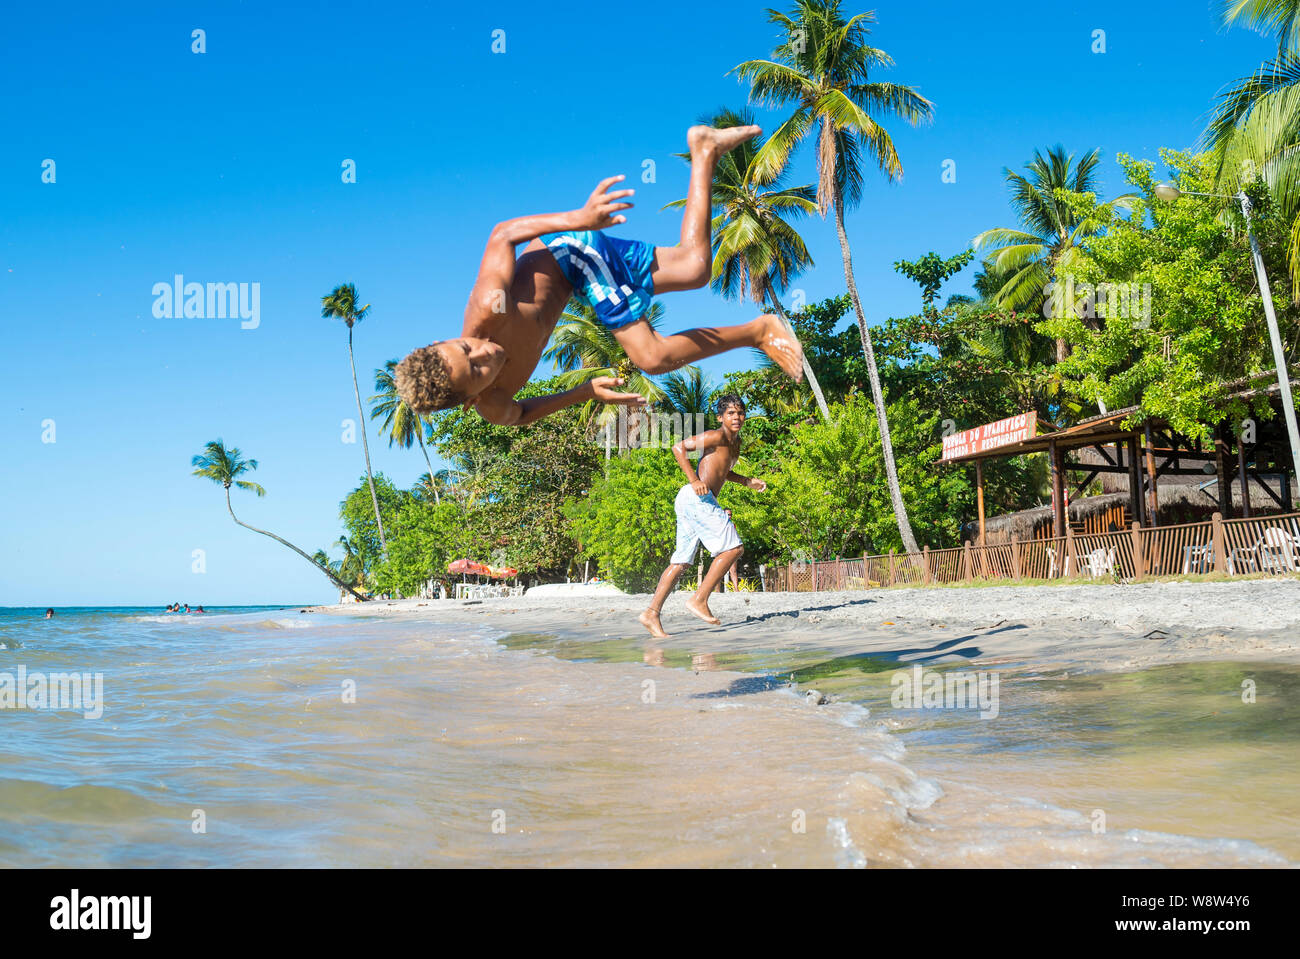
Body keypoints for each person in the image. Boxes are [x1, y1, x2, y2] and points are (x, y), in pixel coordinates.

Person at [394, 124, 804, 424]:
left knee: (651, 356)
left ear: (443, 340)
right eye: (478, 372)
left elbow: (502, 235)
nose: (485, 354)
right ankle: (705, 150)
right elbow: (520, 414)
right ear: (471, 400)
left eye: (467, 349)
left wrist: (580, 217)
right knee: (695, 268)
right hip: (578, 278)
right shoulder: (495, 404)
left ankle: (760, 330)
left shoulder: (489, 309)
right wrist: (585, 391)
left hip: (570, 251)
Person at [639, 395, 764, 639]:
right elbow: (679, 448)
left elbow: (723, 471)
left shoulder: (735, 443)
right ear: (720, 418)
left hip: (691, 501)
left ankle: (651, 613)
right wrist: (694, 480)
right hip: (697, 498)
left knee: (681, 562)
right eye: (730, 413)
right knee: (733, 548)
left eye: (740, 413)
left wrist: (747, 481)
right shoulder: (716, 436)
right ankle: (699, 599)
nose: (736, 417)